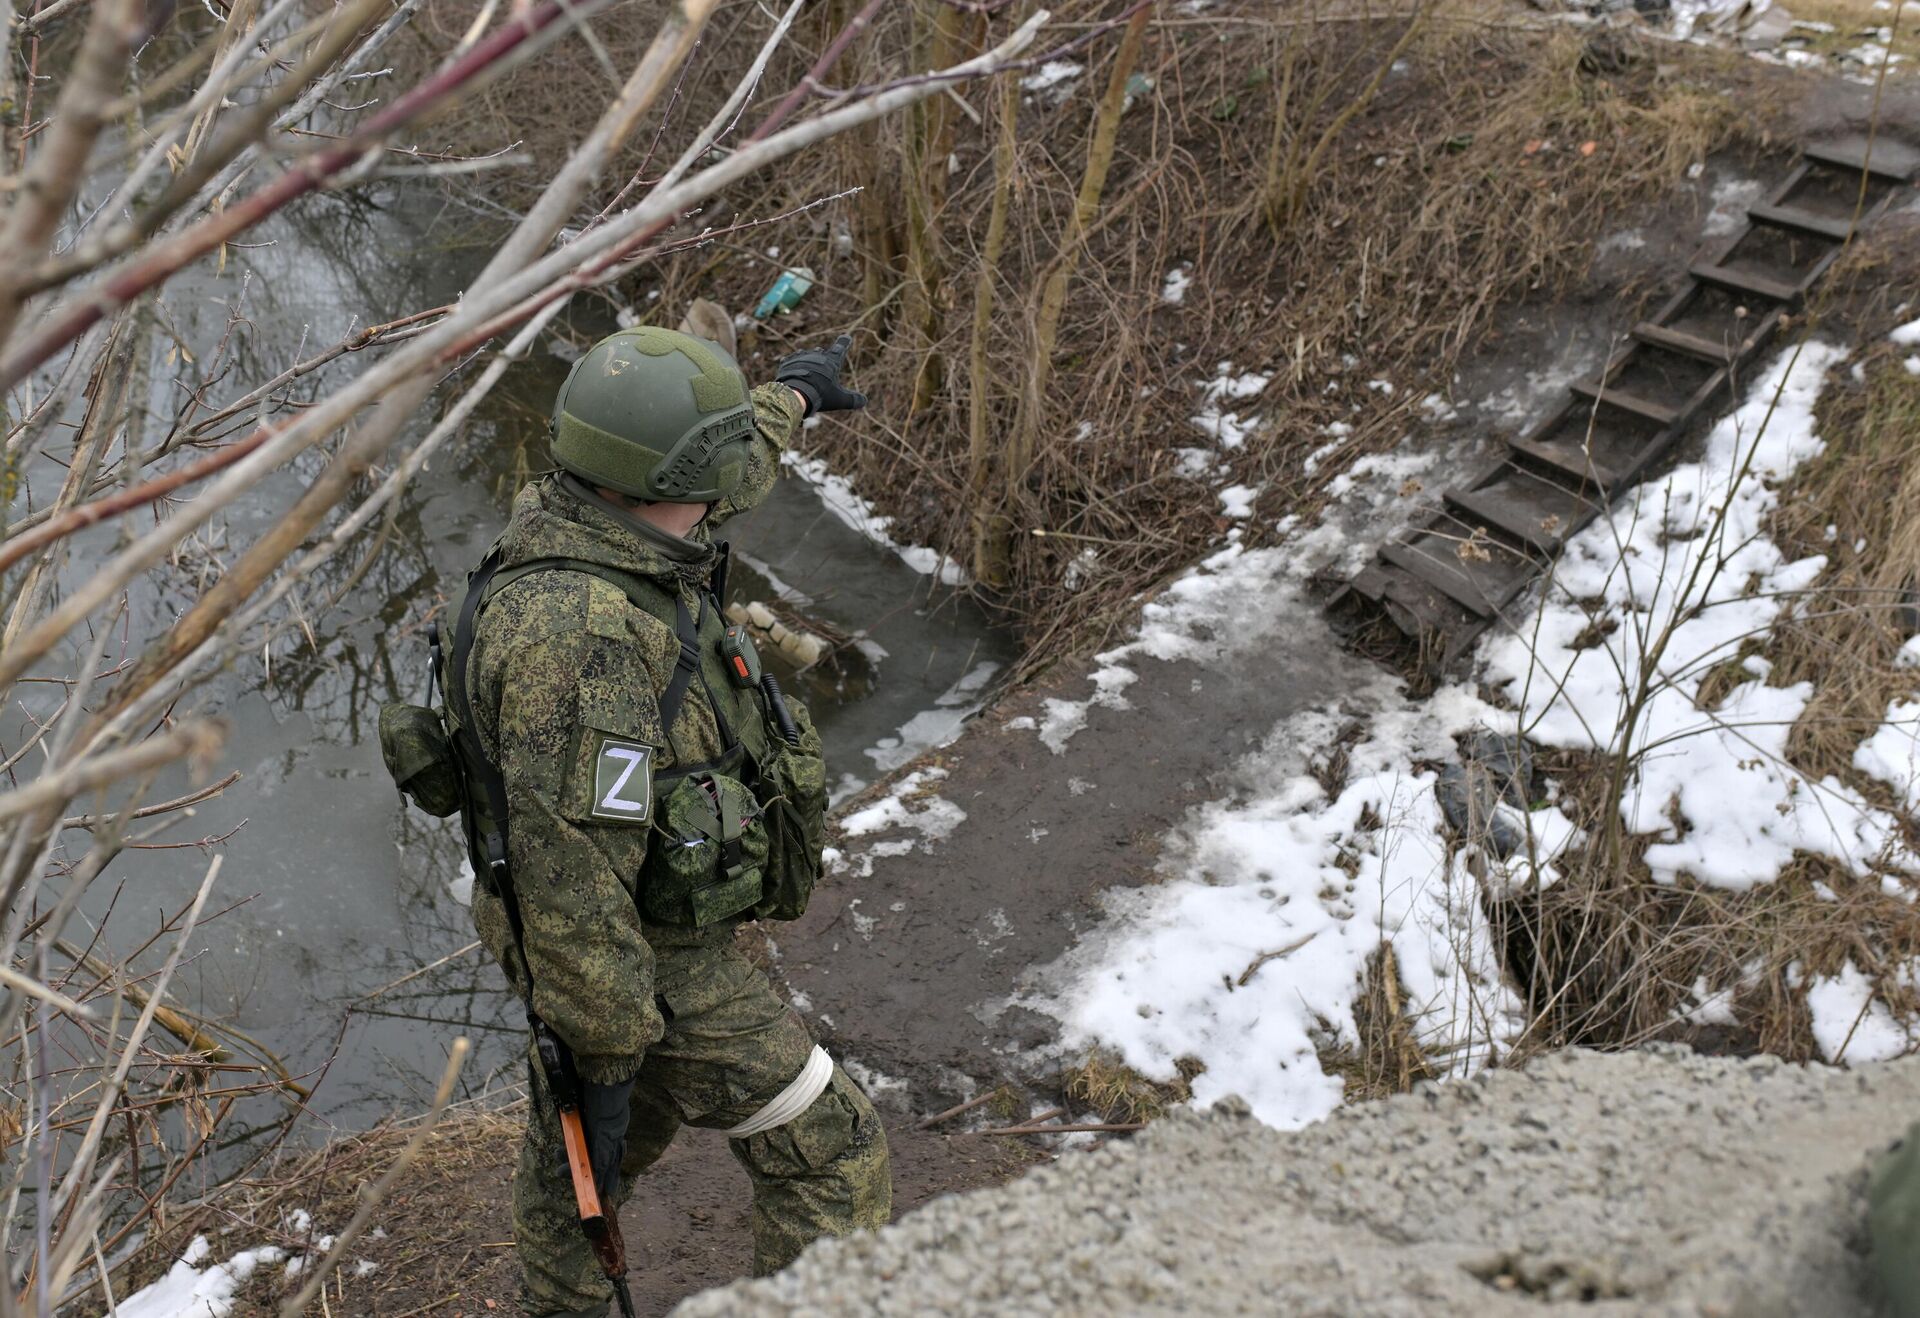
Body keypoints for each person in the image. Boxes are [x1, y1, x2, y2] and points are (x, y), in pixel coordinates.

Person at [450, 326, 890, 1316]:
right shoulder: (582, 638)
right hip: (634, 957)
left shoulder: (600, 508)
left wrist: (797, 398)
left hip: (625, 946)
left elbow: (727, 473)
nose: (729, 488)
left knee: (589, 1168)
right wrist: (608, 1042)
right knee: (829, 1146)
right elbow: (568, 876)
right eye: (714, 461)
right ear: (661, 477)